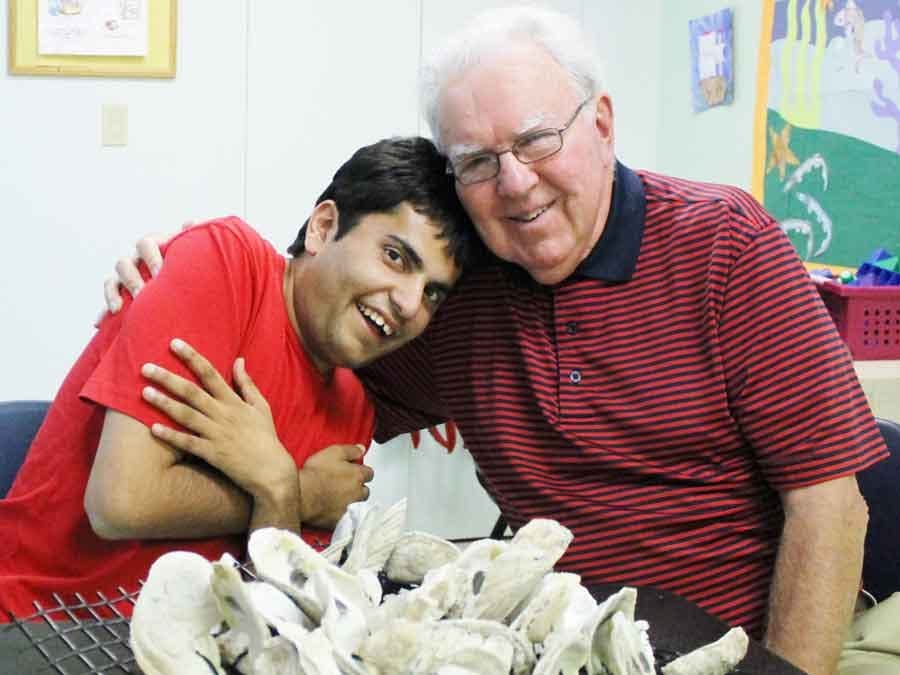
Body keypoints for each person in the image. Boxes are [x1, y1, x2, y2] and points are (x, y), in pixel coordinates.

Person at [102, 8, 888, 674]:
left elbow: (830, 509)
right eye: (477, 161)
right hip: (541, 640)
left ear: (603, 125)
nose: (515, 183)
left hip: (717, 648)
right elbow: (313, 348)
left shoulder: (727, 244)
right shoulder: (458, 297)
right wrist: (183, 283)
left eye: (539, 140)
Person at [0, 136, 479, 620]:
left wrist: (277, 490)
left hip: (197, 645)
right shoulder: (226, 262)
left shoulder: (355, 405)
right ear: (324, 227)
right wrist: (299, 490)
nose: (409, 303)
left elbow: (271, 602)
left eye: (433, 293)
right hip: (42, 618)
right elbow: (118, 503)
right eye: (396, 257)